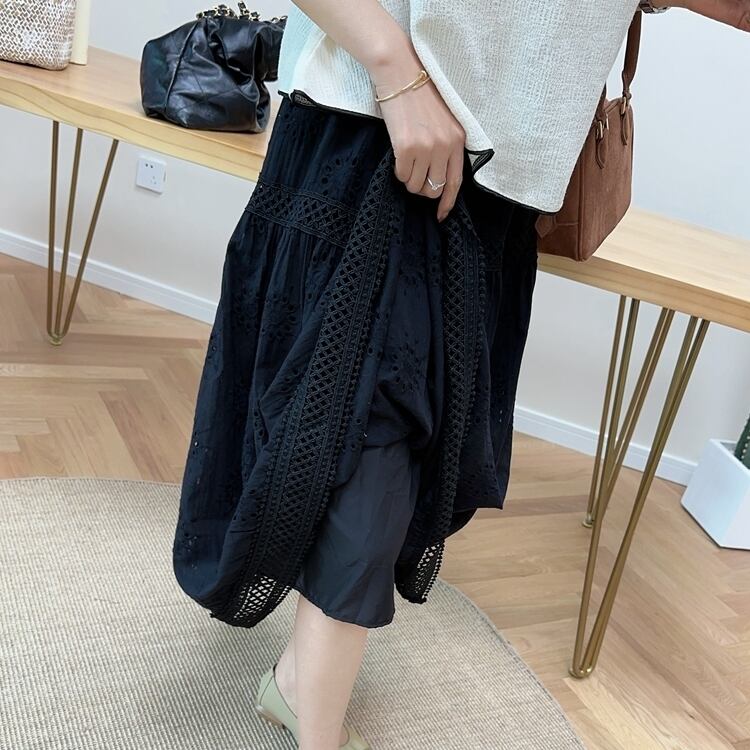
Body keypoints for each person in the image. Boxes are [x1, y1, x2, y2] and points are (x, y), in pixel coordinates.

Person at [171, 1, 749, 749]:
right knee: (373, 434)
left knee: (404, 445)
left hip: (511, 165)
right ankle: (317, 722)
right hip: (379, 123)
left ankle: (300, 687)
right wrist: (395, 71)